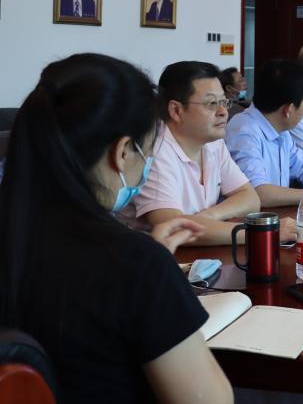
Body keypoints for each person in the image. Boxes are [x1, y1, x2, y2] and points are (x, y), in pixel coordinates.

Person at [0, 54, 232, 403]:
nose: (148, 164)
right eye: (148, 152)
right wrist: (152, 269)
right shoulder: (137, 264)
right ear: (123, 152)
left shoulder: (16, 235)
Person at [133, 61, 288, 246]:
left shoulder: (213, 143)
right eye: (212, 103)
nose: (223, 112)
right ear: (176, 110)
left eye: (223, 102)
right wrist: (263, 235)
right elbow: (173, 229)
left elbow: (250, 198)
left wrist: (208, 216)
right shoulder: (155, 151)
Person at [225, 59, 303, 207]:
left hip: (277, 215)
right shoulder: (244, 131)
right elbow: (258, 193)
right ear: (289, 110)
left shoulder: (279, 127)